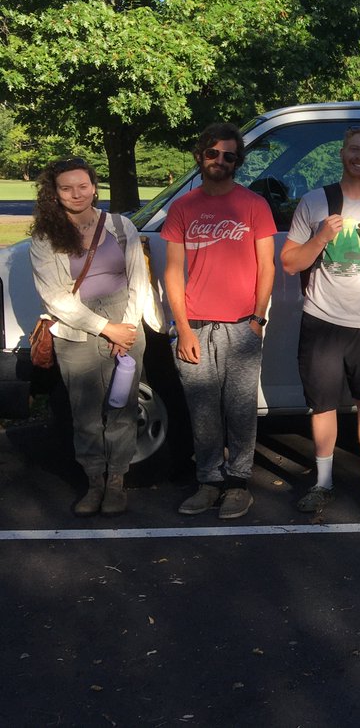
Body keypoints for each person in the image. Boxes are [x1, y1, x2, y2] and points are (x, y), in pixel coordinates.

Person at [280, 127, 360, 515]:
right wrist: (319, 238)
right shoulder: (315, 202)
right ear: (342, 153)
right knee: (322, 406)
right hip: (321, 320)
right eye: (354, 149)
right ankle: (322, 483)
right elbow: (289, 263)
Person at [29, 158, 163, 516]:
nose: (76, 193)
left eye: (82, 185)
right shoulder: (45, 237)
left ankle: (117, 482)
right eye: (66, 188)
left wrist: (127, 327)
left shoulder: (120, 226)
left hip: (126, 320)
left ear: (94, 186)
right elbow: (54, 296)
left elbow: (138, 278)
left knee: (121, 409)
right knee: (85, 412)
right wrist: (106, 329)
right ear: (54, 194)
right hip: (77, 330)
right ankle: (94, 483)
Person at [164, 123, 276, 520]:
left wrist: (258, 320)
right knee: (203, 409)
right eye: (213, 153)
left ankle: (237, 484)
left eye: (229, 155)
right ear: (200, 155)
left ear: (237, 162)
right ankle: (208, 481)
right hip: (195, 324)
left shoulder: (253, 206)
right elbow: (173, 272)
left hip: (242, 325)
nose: (220, 161)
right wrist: (182, 327)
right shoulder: (182, 208)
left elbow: (268, 267)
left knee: (241, 408)